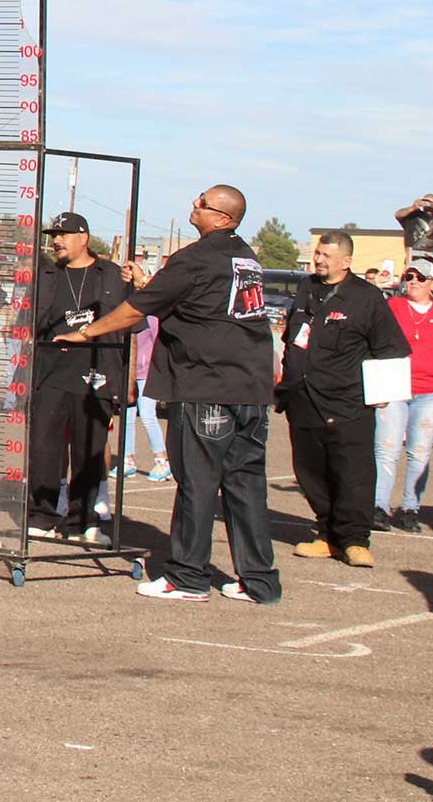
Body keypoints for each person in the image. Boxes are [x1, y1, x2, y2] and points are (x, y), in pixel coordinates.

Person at [60, 184, 279, 605]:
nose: (194, 206)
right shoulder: (246, 258)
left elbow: (137, 308)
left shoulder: (197, 258)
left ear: (223, 219)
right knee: (246, 484)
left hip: (207, 386)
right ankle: (259, 581)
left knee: (197, 482)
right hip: (250, 388)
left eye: (203, 204)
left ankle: (188, 577)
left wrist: (87, 331)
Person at [277, 230, 408, 568]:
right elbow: (291, 337)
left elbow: (391, 349)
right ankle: (327, 534)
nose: (319, 260)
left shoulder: (366, 298)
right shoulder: (306, 289)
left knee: (352, 473)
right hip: (304, 400)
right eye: (318, 253)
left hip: (347, 403)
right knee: (310, 471)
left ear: (346, 262)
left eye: (327, 256)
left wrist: (383, 395)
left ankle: (354, 539)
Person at [28, 213, 129, 543]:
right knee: (44, 448)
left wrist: (126, 380)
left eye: (64, 234)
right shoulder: (44, 275)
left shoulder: (111, 276)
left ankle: (83, 521)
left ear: (84, 237)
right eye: (53, 235)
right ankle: (42, 516)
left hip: (96, 375)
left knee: (89, 451)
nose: (56, 240)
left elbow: (132, 328)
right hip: (51, 373)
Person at [377, 257, 433, 533]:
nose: (413, 281)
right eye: (409, 276)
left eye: (420, 277)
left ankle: (409, 508)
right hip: (395, 388)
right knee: (386, 448)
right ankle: (379, 506)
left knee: (419, 452)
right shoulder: (392, 307)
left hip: (431, 392)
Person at [116, 313, 170, 481]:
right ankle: (127, 460)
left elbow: (157, 343)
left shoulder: (152, 317)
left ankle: (162, 461)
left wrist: (158, 372)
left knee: (148, 415)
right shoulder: (127, 314)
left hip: (147, 374)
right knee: (127, 416)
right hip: (130, 373)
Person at [395, 194, 433, 260]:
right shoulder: (413, 216)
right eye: (426, 201)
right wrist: (413, 207)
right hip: (413, 255)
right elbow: (398, 214)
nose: (429, 204)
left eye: (432, 202)